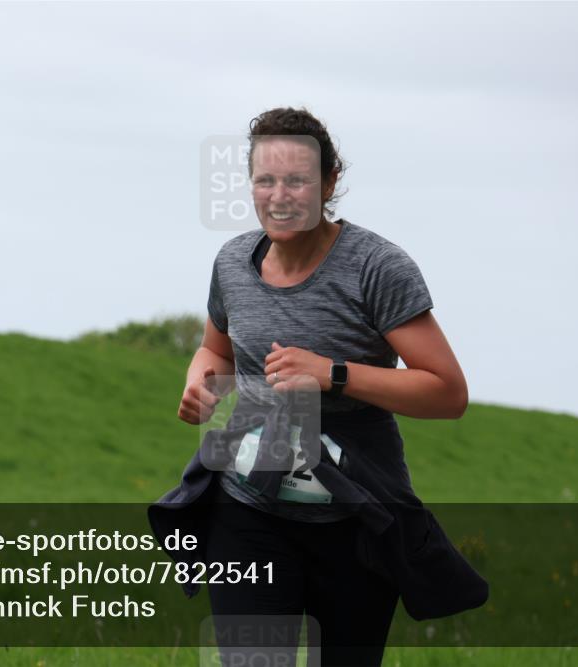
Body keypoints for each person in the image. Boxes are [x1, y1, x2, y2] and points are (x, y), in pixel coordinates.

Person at [153, 107, 484, 667]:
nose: (280, 195)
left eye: (297, 180)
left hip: (355, 518)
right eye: (265, 179)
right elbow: (216, 349)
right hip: (248, 511)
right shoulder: (234, 262)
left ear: (330, 182)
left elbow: (447, 392)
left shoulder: (376, 267)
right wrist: (200, 382)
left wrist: (332, 372)